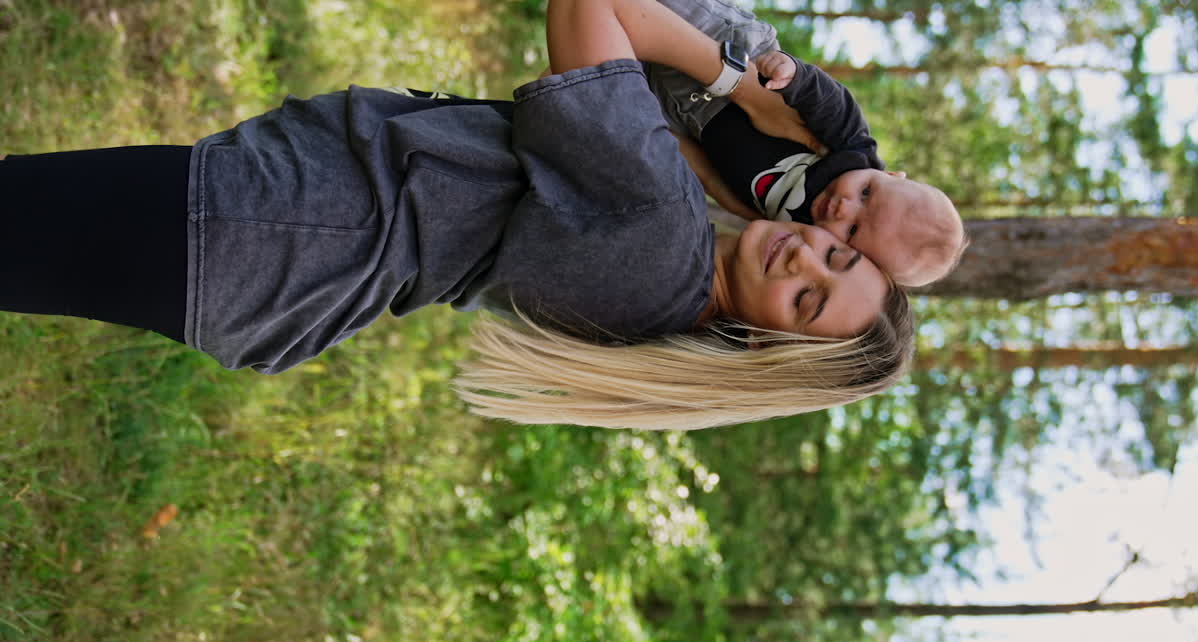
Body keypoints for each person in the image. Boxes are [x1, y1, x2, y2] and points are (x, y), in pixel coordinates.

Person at [0, 0, 914, 431]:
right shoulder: (664, 291)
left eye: (806, 301)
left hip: (267, 229)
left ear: (763, 345)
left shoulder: (660, 238)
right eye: (837, 255)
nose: (806, 258)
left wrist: (736, 91)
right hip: (270, 259)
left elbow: (588, 9)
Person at [644, 0, 967, 288]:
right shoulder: (853, 153)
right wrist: (795, 76)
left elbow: (722, 184)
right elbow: (835, 104)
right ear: (892, 175)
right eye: (866, 193)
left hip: (685, 116)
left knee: (621, 51)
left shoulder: (799, 234)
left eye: (853, 230)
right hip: (733, 53)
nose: (844, 207)